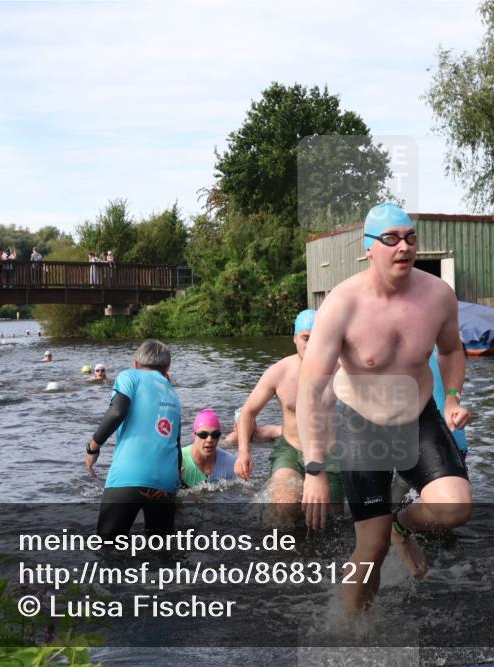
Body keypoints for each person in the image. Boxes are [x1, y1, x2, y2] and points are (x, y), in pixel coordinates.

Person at [297, 202, 472, 612]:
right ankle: (349, 631)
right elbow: (310, 388)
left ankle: (401, 524)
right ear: (368, 249)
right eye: (390, 239)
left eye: (410, 237)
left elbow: (450, 350)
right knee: (369, 549)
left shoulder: (438, 296)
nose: (403, 247)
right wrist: (314, 469)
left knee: (456, 507)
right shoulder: (342, 305)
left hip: (418, 416)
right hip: (364, 424)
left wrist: (452, 397)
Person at [235, 309, 345, 522]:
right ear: (295, 338)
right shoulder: (280, 372)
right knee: (283, 508)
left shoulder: (341, 371)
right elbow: (248, 412)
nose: (311, 344)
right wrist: (243, 452)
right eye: (305, 338)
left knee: (328, 520)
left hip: (329, 454)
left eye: (316, 338)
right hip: (291, 450)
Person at [85, 340, 181, 539]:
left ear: (136, 363)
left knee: (108, 548)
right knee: (162, 553)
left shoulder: (129, 376)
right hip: (166, 481)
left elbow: (117, 411)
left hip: (128, 477)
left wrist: (93, 447)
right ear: (167, 368)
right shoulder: (173, 393)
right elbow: (176, 443)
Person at [180, 409, 237, 488]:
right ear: (194, 435)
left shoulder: (231, 464)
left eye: (215, 434)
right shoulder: (178, 461)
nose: (209, 440)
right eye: (203, 435)